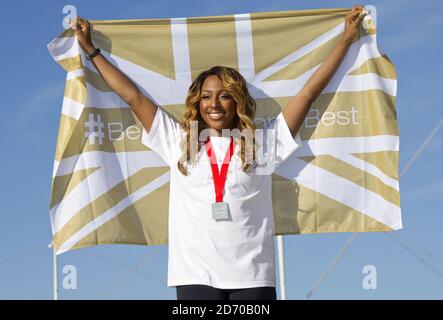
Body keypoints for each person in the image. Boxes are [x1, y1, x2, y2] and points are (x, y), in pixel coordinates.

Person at [72, 5, 366, 300]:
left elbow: (307, 93)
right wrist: (91, 51)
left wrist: (345, 40)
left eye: (224, 96)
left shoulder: (263, 143)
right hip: (195, 275)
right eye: (207, 97)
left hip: (253, 278)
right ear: (197, 104)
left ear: (237, 102)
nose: (214, 104)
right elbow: (132, 96)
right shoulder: (178, 142)